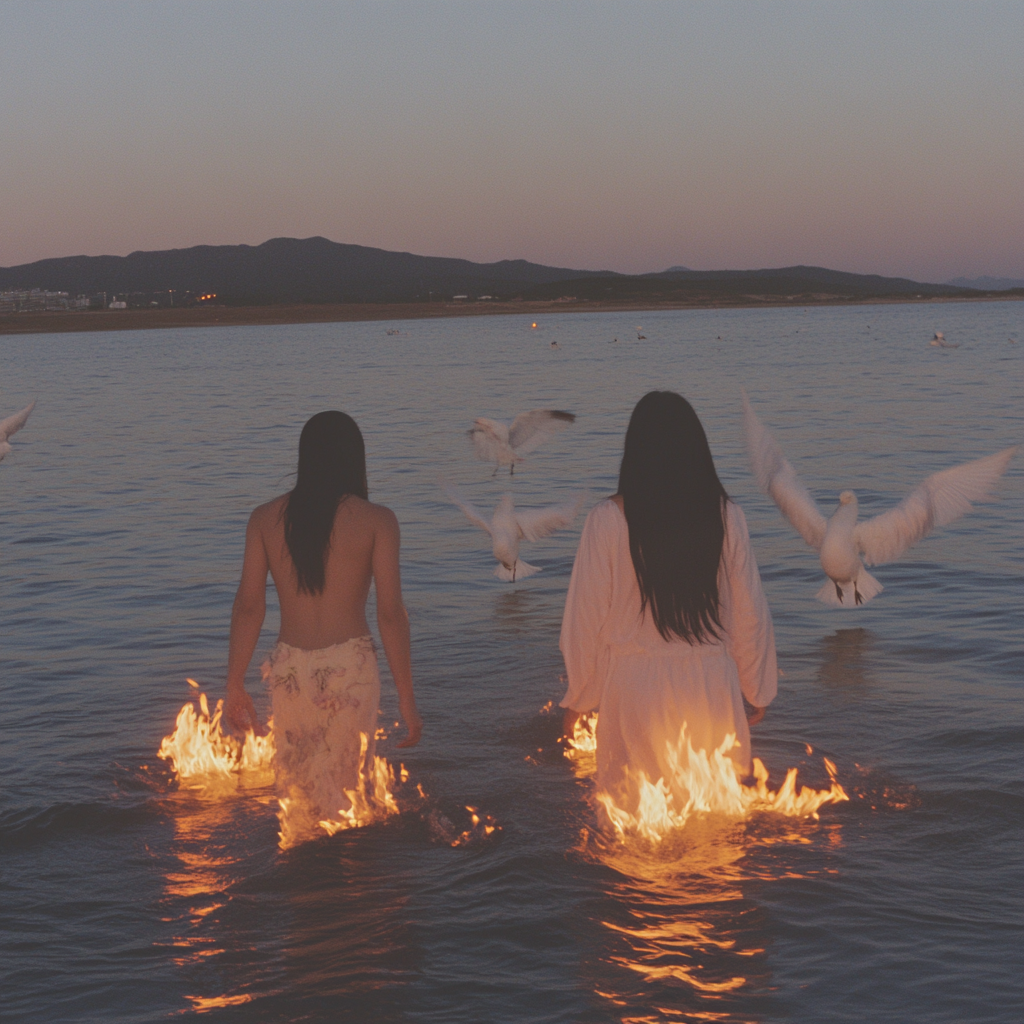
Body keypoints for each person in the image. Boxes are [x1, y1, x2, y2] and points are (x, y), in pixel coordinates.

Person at [559, 391, 777, 818]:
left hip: (635, 691)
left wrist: (580, 697)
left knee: (637, 828)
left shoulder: (607, 519)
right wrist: (755, 686)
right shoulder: (726, 515)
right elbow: (750, 612)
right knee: (714, 823)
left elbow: (585, 620)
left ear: (634, 451)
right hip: (710, 685)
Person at [223, 411, 422, 845]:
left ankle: (307, 896)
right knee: (348, 796)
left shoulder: (264, 518)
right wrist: (407, 697)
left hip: (289, 670)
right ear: (355, 458)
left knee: (299, 798)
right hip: (350, 669)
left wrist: (234, 681)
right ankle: (348, 898)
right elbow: (391, 614)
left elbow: (248, 606)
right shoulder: (377, 520)